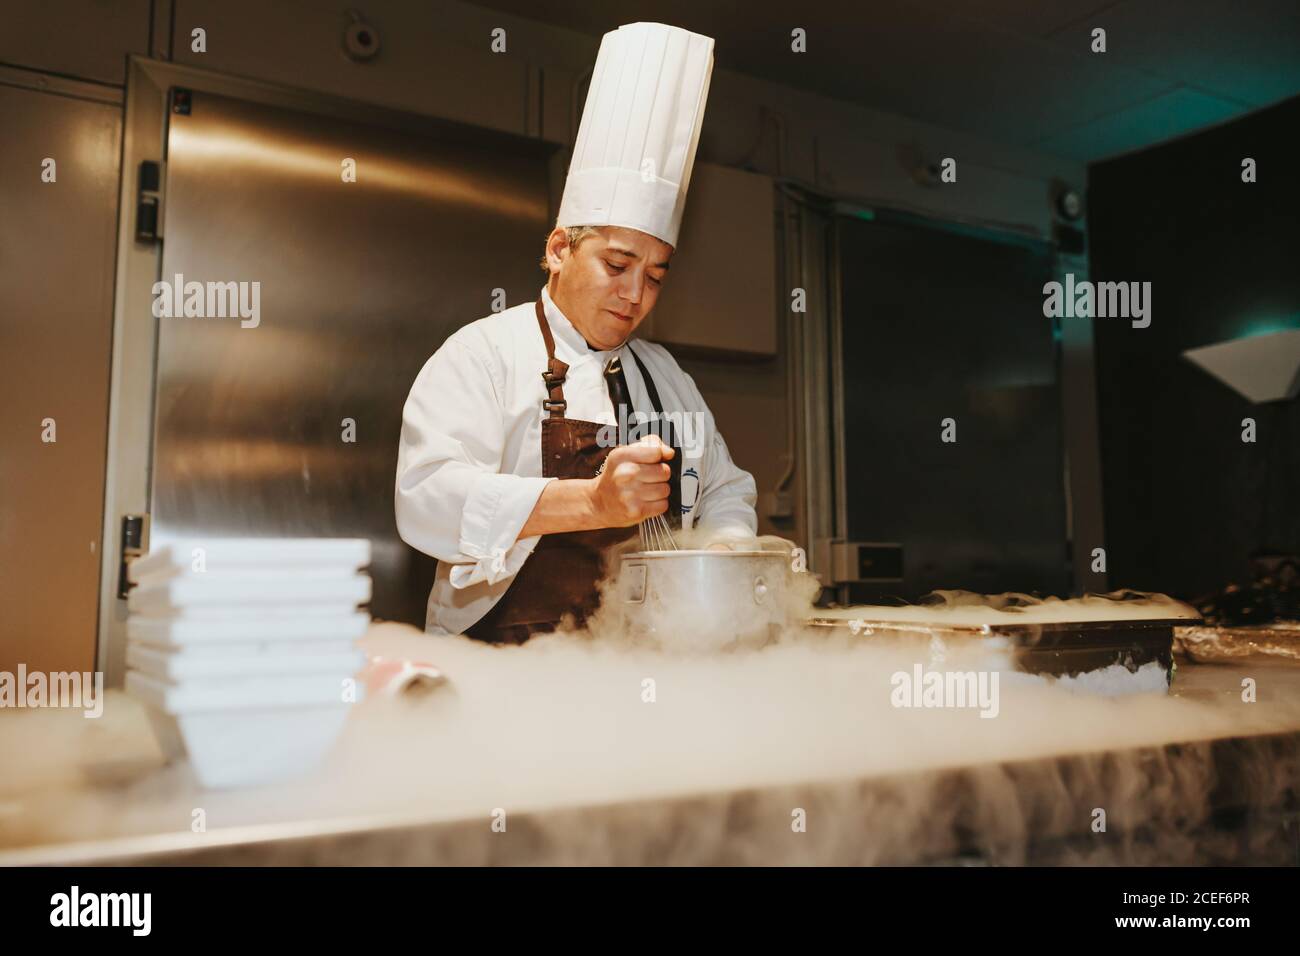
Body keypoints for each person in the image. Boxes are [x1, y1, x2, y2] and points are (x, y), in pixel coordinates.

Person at [395, 23, 757, 642]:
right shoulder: (483, 355)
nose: (635, 294)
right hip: (500, 666)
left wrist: (719, 558)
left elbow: (726, 488)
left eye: (655, 276)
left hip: (635, 665)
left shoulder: (666, 377)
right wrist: (594, 502)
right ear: (560, 248)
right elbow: (428, 497)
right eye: (617, 266)